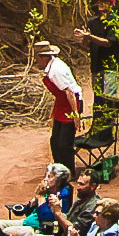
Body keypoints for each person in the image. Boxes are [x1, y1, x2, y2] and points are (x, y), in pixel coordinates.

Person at [37, 45, 87, 180]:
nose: (37, 60)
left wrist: (75, 115)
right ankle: (58, 170)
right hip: (62, 103)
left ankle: (68, 173)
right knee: (55, 141)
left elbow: (69, 92)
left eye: (38, 57)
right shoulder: (51, 68)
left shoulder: (56, 71)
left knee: (64, 143)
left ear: (45, 57)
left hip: (70, 104)